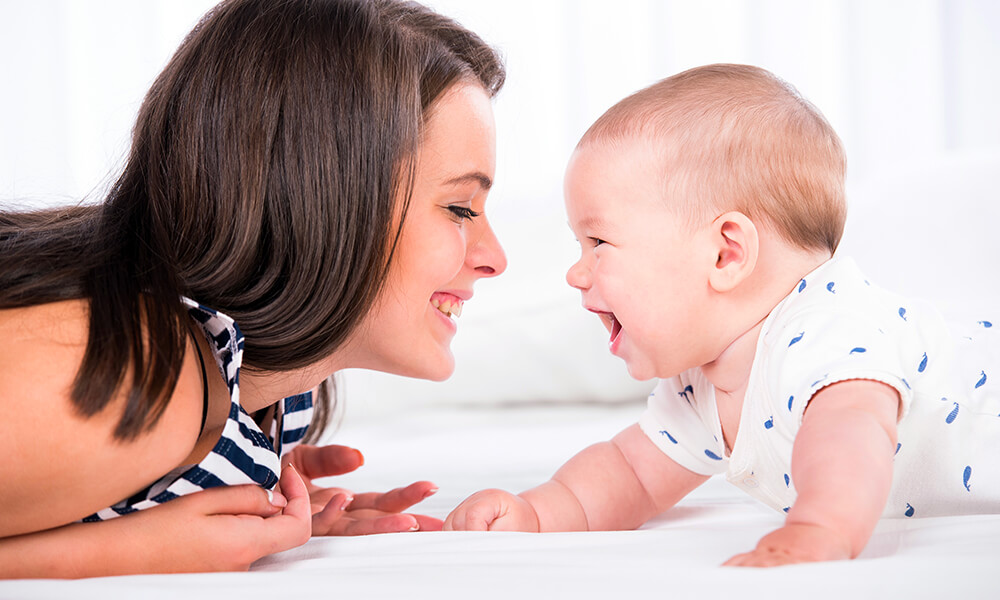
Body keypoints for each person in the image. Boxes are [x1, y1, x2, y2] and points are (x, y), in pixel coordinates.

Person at [0, 0, 506, 577]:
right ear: (323, 201)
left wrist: (252, 490)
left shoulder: (270, 393)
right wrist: (134, 551)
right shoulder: (142, 371)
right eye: (461, 208)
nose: (496, 259)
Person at [443, 63, 999, 566]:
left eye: (598, 242)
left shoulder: (827, 330)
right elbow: (631, 473)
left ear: (725, 253)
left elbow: (849, 439)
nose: (576, 273)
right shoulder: (702, 386)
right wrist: (538, 513)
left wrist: (819, 528)